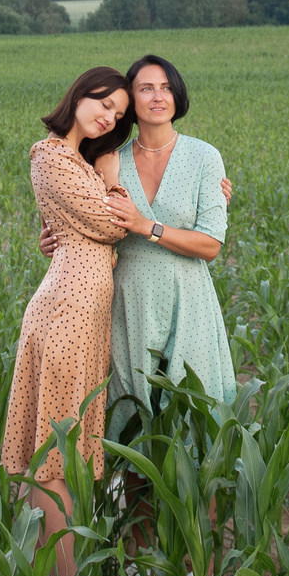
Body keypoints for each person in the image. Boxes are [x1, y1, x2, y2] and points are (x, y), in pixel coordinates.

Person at [1, 66, 134, 576]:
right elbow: (110, 224)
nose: (109, 116)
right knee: (56, 457)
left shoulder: (74, 161)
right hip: (65, 317)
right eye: (104, 102)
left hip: (80, 316)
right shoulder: (52, 156)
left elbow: (91, 225)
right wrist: (111, 174)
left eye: (117, 114)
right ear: (78, 94)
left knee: (59, 454)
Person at [101, 54, 237, 433]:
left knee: (197, 425)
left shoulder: (204, 157)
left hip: (187, 299)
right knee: (132, 424)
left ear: (177, 97)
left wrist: (148, 226)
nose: (158, 96)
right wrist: (52, 238)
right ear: (131, 99)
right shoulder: (111, 160)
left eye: (166, 87)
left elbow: (210, 244)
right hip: (130, 303)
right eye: (146, 88)